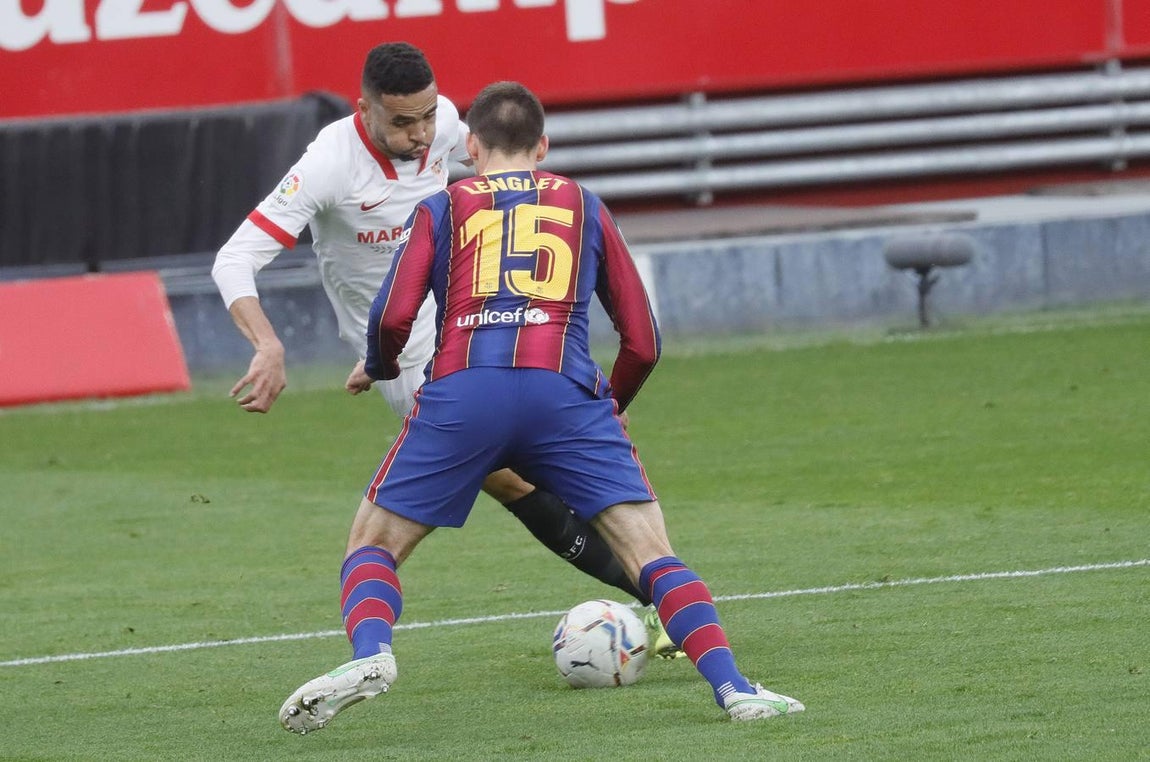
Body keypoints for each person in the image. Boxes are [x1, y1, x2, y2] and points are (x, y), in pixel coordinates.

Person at [278, 80, 804, 734]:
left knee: (372, 545)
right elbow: (643, 341)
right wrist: (609, 407)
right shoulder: (584, 204)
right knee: (652, 554)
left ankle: (372, 653)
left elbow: (391, 319)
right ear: (544, 145)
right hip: (564, 392)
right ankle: (734, 690)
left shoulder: (443, 207)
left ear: (469, 146)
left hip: (464, 391)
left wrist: (382, 365)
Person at [210, 42, 677, 652]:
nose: (422, 133)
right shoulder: (329, 163)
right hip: (400, 350)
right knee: (514, 471)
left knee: (520, 461)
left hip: (467, 318)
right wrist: (269, 345)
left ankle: (658, 599)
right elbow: (234, 258)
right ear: (365, 110)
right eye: (403, 121)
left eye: (428, 116)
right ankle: (658, 595)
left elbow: (499, 177)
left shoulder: (447, 125)